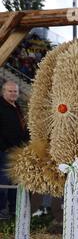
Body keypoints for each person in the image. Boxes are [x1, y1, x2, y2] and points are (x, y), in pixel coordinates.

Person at [0, 81, 29, 219]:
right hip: (5, 151)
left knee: (15, 181)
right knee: (4, 181)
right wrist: (5, 147)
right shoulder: (1, 106)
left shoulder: (17, 106)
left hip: (18, 151)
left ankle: (13, 209)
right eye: (10, 91)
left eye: (15, 91)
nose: (13, 93)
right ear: (3, 92)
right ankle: (1, 210)